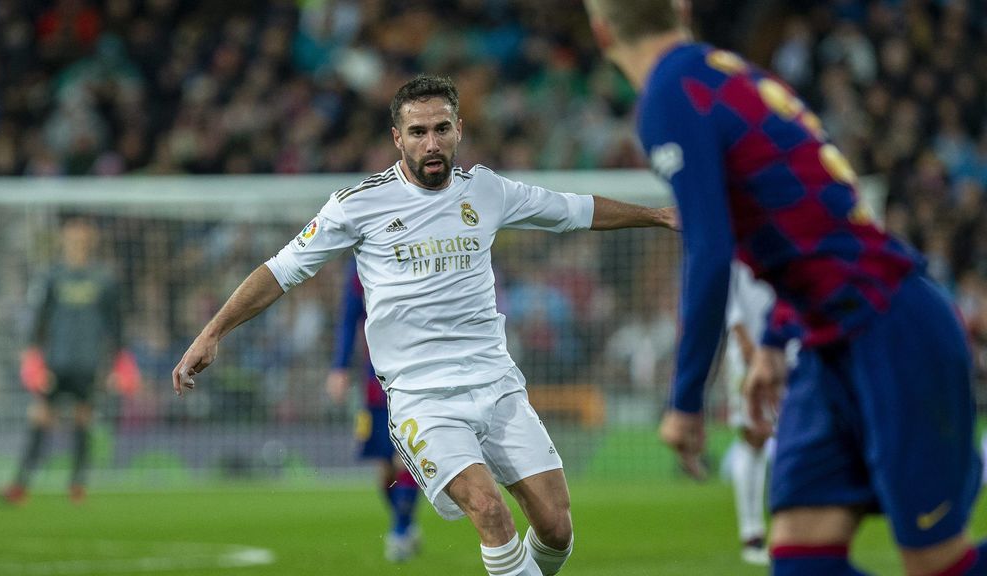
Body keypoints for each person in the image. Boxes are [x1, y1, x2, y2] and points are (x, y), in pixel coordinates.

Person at [173, 74, 678, 576]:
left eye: (441, 129)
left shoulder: (487, 191)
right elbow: (280, 270)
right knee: (488, 509)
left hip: (497, 385)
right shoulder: (358, 205)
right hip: (422, 397)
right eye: (418, 132)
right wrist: (212, 332)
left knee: (557, 528)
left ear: (459, 129)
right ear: (397, 138)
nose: (431, 143)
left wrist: (657, 215)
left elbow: (574, 211)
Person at [582, 2, 984, 575]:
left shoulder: (668, 95)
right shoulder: (728, 72)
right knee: (799, 555)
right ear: (682, 10)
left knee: (938, 564)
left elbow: (710, 248)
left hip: (886, 321)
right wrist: (775, 339)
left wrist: (687, 399)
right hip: (827, 336)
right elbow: (807, 224)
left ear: (601, 33)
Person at [3, 217, 138, 504]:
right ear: (64, 239)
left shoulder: (104, 279)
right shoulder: (52, 276)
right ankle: (21, 483)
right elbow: (39, 318)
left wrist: (120, 362)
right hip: (56, 360)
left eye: (83, 236)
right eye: (73, 235)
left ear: (91, 240)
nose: (78, 240)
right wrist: (32, 357)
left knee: (82, 418)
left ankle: (77, 484)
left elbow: (116, 324)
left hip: (87, 362)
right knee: (40, 416)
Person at [325, 256, 422, 562]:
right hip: (374, 379)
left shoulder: (415, 254)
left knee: (404, 456)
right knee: (383, 468)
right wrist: (339, 368)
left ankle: (401, 530)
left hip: (414, 373)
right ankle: (405, 520)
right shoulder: (359, 265)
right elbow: (348, 317)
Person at [721, 261, 779, 566]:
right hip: (747, 347)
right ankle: (752, 534)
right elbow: (725, 288)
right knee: (753, 435)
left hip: (784, 341)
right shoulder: (734, 232)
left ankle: (789, 528)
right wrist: (742, 336)